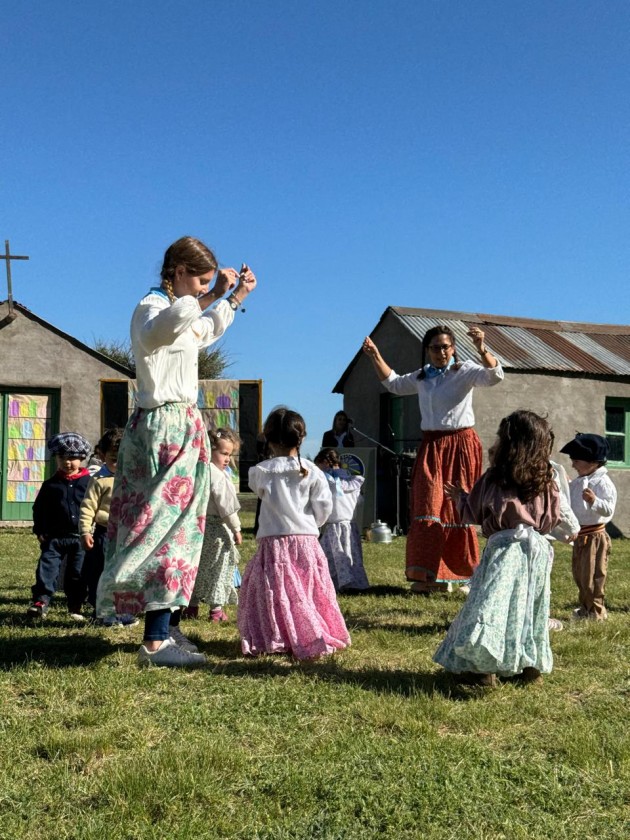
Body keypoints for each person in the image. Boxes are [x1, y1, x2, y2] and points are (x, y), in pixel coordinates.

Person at [96, 236, 257, 667]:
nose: (204, 289)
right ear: (179, 273)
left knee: (183, 529)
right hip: (163, 426)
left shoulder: (181, 309)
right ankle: (154, 640)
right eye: (199, 280)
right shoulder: (150, 308)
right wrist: (207, 295)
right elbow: (161, 330)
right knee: (161, 527)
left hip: (182, 424)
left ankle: (165, 627)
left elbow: (202, 330)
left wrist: (234, 296)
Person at [362, 325, 503, 593]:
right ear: (427, 351)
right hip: (431, 446)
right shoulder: (422, 377)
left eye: (446, 347)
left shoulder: (465, 371)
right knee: (427, 506)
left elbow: (495, 376)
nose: (441, 352)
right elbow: (393, 383)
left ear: (453, 349)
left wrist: (482, 348)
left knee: (457, 507)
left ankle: (462, 574)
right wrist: (374, 355)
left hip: (460, 445)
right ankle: (430, 576)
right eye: (436, 347)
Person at [433, 410, 561, 686]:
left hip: (505, 548)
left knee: (490, 606)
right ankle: (528, 668)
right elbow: (552, 518)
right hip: (535, 551)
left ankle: (482, 670)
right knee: (527, 607)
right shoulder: (546, 477)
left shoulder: (496, 477)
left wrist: (460, 498)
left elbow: (477, 511)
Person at [238, 408, 351, 660]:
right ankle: (308, 631)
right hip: (306, 540)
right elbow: (324, 507)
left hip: (274, 540)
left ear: (269, 439)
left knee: (277, 590)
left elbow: (260, 492)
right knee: (307, 589)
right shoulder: (312, 471)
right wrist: (312, 526)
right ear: (300, 439)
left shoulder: (260, 472)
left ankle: (279, 632)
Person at [27, 432, 92, 620]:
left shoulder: (89, 483)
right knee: (47, 568)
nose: (67, 462)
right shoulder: (51, 485)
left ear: (81, 458)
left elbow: (95, 507)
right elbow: (39, 509)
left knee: (76, 572)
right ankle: (41, 602)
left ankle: (75, 605)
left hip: (79, 537)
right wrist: (39, 530)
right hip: (54, 537)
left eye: (72, 458)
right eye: (62, 457)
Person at [79, 428, 138, 626]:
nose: (119, 463)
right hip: (105, 534)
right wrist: (85, 531)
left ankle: (122, 611)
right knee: (103, 574)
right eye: (114, 459)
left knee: (124, 573)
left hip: (127, 535)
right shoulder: (99, 480)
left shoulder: (133, 478)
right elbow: (88, 507)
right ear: (102, 456)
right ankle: (102, 612)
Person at [184, 428, 242, 622]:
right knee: (218, 568)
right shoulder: (216, 475)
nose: (227, 459)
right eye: (224, 453)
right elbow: (227, 507)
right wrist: (237, 529)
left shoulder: (197, 470)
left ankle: (191, 606)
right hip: (217, 529)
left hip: (198, 527)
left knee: (197, 568)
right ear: (210, 450)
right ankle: (216, 610)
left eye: (230, 454)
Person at [559, 433, 617, 621]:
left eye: (576, 460)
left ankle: (597, 612)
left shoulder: (602, 483)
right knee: (580, 575)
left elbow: (608, 509)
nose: (573, 464)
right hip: (581, 535)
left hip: (595, 537)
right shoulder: (578, 482)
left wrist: (595, 501)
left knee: (594, 576)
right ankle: (585, 608)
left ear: (592, 461)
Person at [314, 447, 369, 592]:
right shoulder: (352, 481)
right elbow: (360, 501)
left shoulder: (326, 482)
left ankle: (338, 583)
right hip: (350, 525)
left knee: (334, 556)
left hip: (335, 526)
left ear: (324, 463)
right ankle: (354, 582)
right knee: (351, 555)